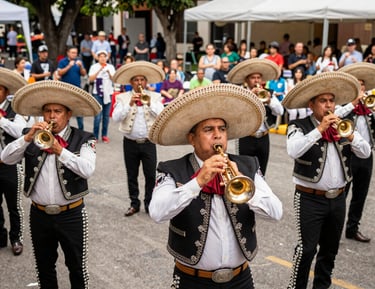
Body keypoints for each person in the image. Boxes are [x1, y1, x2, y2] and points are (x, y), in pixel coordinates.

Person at [148, 84, 283, 289]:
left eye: (222, 129)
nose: (218, 135)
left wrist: (247, 189)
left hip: (240, 279)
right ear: (192, 138)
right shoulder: (171, 169)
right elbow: (157, 212)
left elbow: (276, 213)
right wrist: (197, 182)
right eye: (208, 130)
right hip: (191, 280)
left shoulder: (247, 165)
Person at [1, 80, 101, 288]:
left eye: (58, 111)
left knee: (77, 268)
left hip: (71, 214)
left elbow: (87, 169)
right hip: (39, 215)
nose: (52, 117)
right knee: (44, 268)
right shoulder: (31, 134)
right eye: (47, 111)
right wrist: (27, 138)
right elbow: (6, 158)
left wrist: (60, 151)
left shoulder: (84, 138)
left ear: (68, 114)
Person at [282, 72, 371, 289]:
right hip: (309, 198)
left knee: (330, 250)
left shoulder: (344, 125)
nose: (329, 105)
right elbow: (293, 150)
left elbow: (366, 153)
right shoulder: (299, 125)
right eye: (323, 101)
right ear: (312, 104)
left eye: (331, 101)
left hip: (338, 198)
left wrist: (351, 135)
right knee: (307, 249)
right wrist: (319, 129)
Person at [112, 61, 165, 216]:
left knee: (150, 175)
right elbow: (116, 118)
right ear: (131, 82)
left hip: (149, 143)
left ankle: (149, 204)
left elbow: (161, 115)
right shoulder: (122, 98)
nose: (139, 82)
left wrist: (148, 103)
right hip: (130, 143)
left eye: (142, 80)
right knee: (132, 174)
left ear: (146, 82)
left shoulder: (155, 97)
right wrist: (129, 104)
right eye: (136, 80)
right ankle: (134, 203)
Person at [337, 62, 375, 242]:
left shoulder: (369, 108)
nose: (361, 89)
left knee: (360, 195)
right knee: (342, 194)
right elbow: (336, 117)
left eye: (363, 85)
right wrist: (352, 104)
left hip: (366, 156)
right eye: (357, 85)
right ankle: (334, 230)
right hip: (348, 155)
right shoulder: (344, 106)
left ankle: (353, 229)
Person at [227, 58, 284, 176]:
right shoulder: (241, 94)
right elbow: (235, 113)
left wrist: (269, 101)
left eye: (258, 78)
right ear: (247, 80)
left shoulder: (268, 93)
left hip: (263, 137)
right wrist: (250, 97)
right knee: (244, 170)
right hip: (246, 137)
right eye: (253, 78)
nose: (256, 80)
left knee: (262, 171)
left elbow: (280, 111)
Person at [0, 68, 28, 256]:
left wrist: (1, 120)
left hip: (10, 165)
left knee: (14, 205)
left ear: (6, 91)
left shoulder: (15, 110)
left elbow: (20, 132)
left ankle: (16, 238)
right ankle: (0, 236)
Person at [88, 50, 115, 143]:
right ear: (98, 58)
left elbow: (114, 79)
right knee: (98, 116)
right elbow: (90, 79)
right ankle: (95, 136)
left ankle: (104, 135)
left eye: (104, 56)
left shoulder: (110, 67)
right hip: (97, 93)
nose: (103, 58)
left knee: (106, 116)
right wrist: (99, 70)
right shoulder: (94, 67)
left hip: (108, 93)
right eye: (101, 56)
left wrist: (108, 73)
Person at [58, 46, 87, 130]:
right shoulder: (63, 61)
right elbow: (60, 73)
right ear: (68, 53)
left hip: (77, 90)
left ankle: (81, 131)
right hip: (65, 91)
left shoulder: (79, 61)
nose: (75, 54)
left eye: (76, 53)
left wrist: (81, 66)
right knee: (65, 112)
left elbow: (84, 74)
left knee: (79, 113)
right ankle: (65, 131)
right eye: (73, 52)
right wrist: (69, 66)